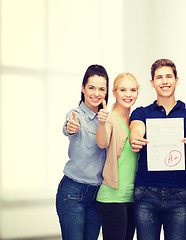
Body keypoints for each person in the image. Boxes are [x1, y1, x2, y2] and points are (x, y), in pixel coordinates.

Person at [129, 58, 186, 240]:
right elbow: (136, 128)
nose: (164, 81)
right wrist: (135, 137)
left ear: (176, 80)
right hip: (146, 193)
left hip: (179, 194)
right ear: (152, 83)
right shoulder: (141, 112)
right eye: (159, 77)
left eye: (169, 76)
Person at [56, 64, 109, 240]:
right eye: (91, 87)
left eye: (101, 89)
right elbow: (68, 128)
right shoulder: (75, 115)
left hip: (97, 195)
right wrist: (70, 127)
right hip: (72, 192)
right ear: (83, 88)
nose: (96, 93)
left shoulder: (106, 119)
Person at [95, 73, 140, 240]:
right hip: (112, 197)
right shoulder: (109, 118)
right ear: (114, 92)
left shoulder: (136, 121)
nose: (128, 94)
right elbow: (102, 142)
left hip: (132, 197)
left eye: (132, 90)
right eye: (123, 90)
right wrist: (101, 123)